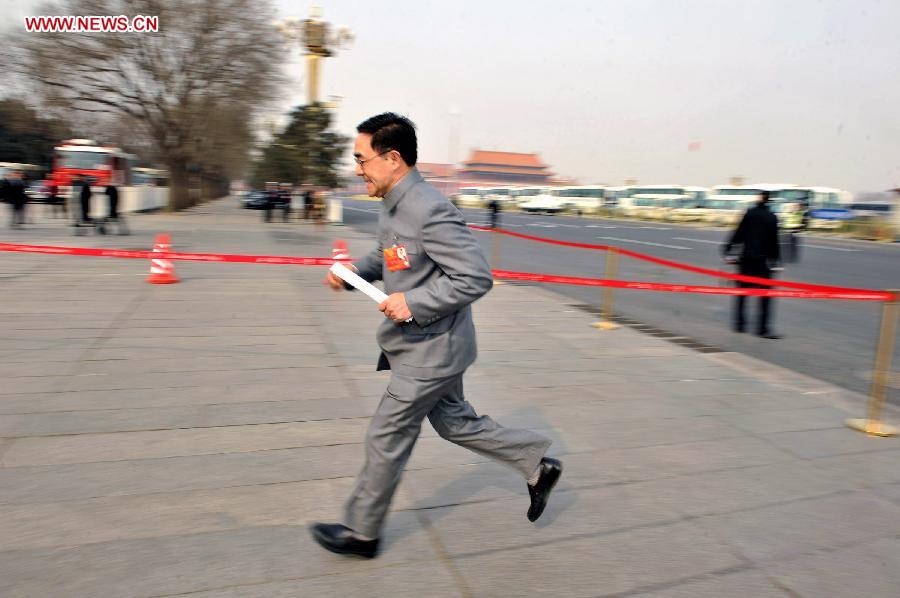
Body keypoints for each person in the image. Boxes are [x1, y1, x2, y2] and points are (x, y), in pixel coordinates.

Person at [314, 113, 562, 559]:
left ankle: (361, 533)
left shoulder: (429, 208)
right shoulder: (394, 202)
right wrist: (354, 274)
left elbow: (475, 278)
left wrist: (414, 302)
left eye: (361, 159)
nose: (357, 169)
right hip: (429, 345)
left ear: (392, 158)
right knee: (454, 423)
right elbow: (391, 255)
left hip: (433, 348)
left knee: (385, 436)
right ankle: (536, 465)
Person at [723, 190, 782, 339]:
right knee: (765, 296)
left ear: (757, 200)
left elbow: (738, 233)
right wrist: (775, 261)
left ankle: (740, 324)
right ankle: (762, 329)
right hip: (762, 262)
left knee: (742, 293)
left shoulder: (749, 214)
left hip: (746, 259)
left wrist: (728, 248)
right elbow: (774, 242)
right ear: (769, 201)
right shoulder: (772, 218)